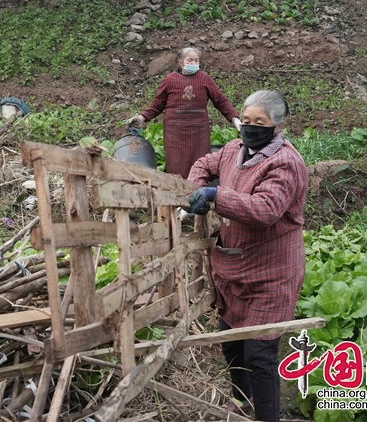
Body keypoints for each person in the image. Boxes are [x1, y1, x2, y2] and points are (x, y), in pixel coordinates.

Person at [186, 90, 308, 422]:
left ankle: (267, 416)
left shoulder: (285, 162)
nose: (251, 128)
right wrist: (195, 187)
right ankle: (243, 400)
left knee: (260, 352)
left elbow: (266, 210)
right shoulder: (232, 150)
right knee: (232, 343)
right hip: (234, 266)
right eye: (248, 121)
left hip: (272, 273)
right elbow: (203, 163)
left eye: (261, 123)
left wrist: (215, 195)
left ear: (278, 126)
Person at [127, 47, 241, 179]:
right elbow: (157, 104)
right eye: (190, 60)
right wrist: (141, 117)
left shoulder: (205, 79)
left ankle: (200, 194)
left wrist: (235, 119)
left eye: (196, 60)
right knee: (176, 167)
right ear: (181, 62)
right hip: (175, 132)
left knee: (201, 165)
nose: (193, 63)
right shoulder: (169, 80)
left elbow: (220, 100)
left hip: (199, 131)